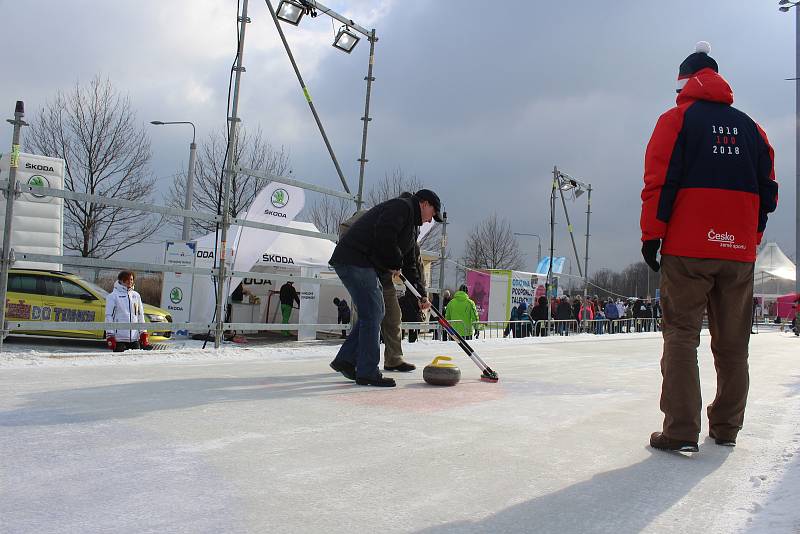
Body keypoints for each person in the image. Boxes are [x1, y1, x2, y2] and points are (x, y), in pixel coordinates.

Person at [640, 42, 778, 452]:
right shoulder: (753, 129)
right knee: (734, 342)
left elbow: (659, 183)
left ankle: (682, 430)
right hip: (737, 252)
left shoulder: (676, 120)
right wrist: (749, 240)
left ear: (685, 82)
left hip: (688, 247)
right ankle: (727, 427)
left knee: (681, 335)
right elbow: (768, 192)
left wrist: (653, 235)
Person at [328, 189, 440, 387]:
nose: (430, 220)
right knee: (373, 313)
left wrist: (420, 295)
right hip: (354, 260)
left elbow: (410, 263)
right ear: (424, 203)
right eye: (433, 213)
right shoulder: (401, 207)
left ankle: (346, 359)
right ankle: (367, 371)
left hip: (362, 264)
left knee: (374, 313)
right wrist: (394, 260)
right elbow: (384, 234)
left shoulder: (411, 227)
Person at [105, 270, 153, 352]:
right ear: (120, 280)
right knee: (119, 362)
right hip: (119, 339)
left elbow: (140, 315)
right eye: (126, 279)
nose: (129, 281)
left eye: (131, 279)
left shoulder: (136, 295)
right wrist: (110, 335)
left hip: (134, 338)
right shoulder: (113, 296)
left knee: (135, 362)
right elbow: (109, 316)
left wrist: (143, 333)